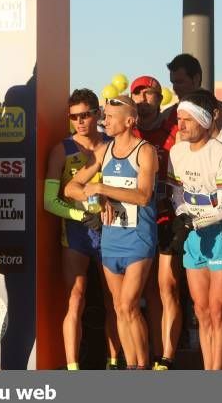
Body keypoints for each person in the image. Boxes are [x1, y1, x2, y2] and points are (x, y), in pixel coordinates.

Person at [65, 95, 158, 369]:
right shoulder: (103, 151)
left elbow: (143, 196)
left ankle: (143, 367)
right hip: (112, 239)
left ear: (129, 121)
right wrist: (94, 201)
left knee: (129, 305)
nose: (104, 121)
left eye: (110, 117)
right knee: (118, 308)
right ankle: (131, 366)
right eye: (103, 116)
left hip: (138, 240)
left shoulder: (145, 151)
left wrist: (103, 189)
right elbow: (71, 187)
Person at [44, 88, 120, 370]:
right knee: (75, 298)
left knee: (116, 301)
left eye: (85, 115)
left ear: (97, 114)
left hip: (113, 229)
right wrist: (81, 212)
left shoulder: (115, 145)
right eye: (74, 117)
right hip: (77, 232)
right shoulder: (61, 150)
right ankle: (72, 368)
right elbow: (49, 201)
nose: (80, 121)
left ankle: (115, 363)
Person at [167, 91, 222, 370]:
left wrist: (196, 221)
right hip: (193, 237)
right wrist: (181, 216)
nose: (182, 125)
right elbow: (177, 195)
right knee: (201, 311)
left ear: (204, 120)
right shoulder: (176, 153)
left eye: (188, 120)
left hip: (219, 235)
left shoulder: (220, 153)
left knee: (217, 310)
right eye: (179, 119)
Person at [129, 76, 180, 369]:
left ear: (161, 99)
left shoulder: (173, 128)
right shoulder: (127, 131)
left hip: (166, 218)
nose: (144, 100)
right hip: (135, 221)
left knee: (165, 288)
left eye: (150, 95)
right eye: (138, 95)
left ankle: (167, 357)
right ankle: (139, 358)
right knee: (138, 294)